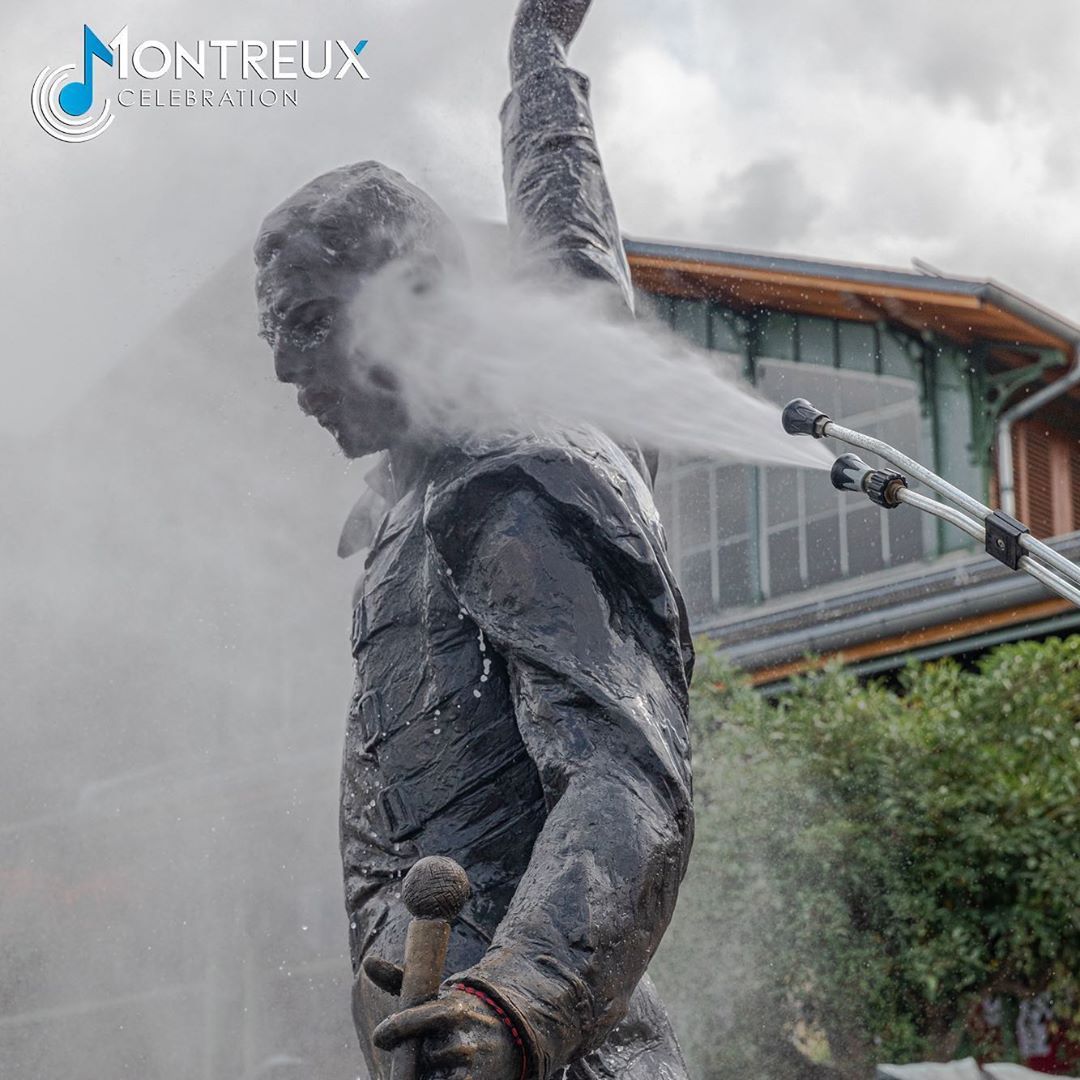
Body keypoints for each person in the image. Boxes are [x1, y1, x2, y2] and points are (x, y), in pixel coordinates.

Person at [253, 2, 695, 1077]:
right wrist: (538, 63)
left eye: (311, 321)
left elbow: (625, 776)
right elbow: (572, 249)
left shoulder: (515, 482)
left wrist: (519, 1000)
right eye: (276, 335)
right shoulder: (414, 497)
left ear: (414, 301)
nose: (283, 372)